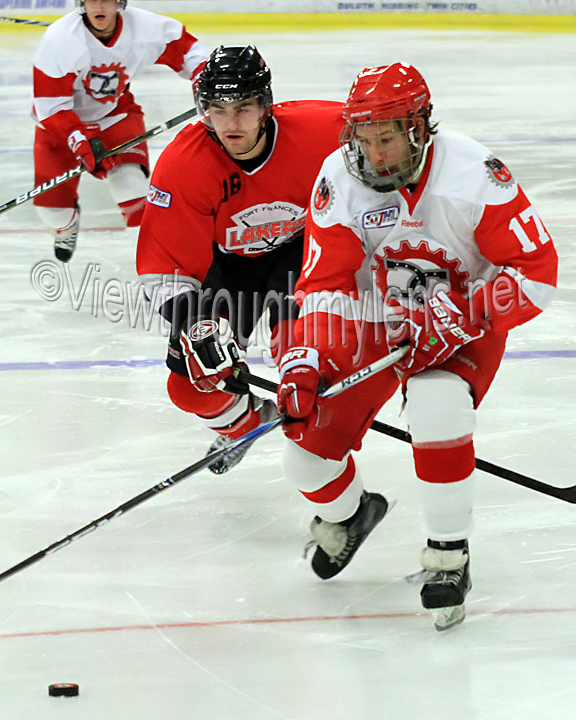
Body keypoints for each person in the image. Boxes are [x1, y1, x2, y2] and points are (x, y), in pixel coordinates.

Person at [276, 63, 558, 631]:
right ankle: (351, 515)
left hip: (466, 322)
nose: (374, 154)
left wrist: (469, 311)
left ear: (420, 126)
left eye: (387, 138)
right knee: (303, 455)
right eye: (364, 138)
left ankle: (449, 556)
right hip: (379, 318)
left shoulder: (475, 175)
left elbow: (537, 275)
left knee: (436, 404)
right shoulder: (339, 177)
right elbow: (325, 283)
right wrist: (305, 360)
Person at [136, 45, 344, 474]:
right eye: (218, 108)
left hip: (302, 255)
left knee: (306, 364)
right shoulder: (182, 165)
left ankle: (336, 493)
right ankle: (246, 422)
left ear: (266, 105)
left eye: (244, 107)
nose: (231, 123)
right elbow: (164, 265)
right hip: (229, 267)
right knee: (190, 388)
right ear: (204, 110)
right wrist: (195, 325)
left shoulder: (324, 129)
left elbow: (395, 142)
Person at [32, 0, 209, 262]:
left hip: (115, 116)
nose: (100, 5)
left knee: (132, 190)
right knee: (53, 213)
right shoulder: (59, 40)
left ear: (119, 2)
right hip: (59, 128)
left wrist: (206, 81)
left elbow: (191, 53)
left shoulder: (146, 29)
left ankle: (152, 267)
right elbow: (51, 107)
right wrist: (81, 141)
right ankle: (65, 226)